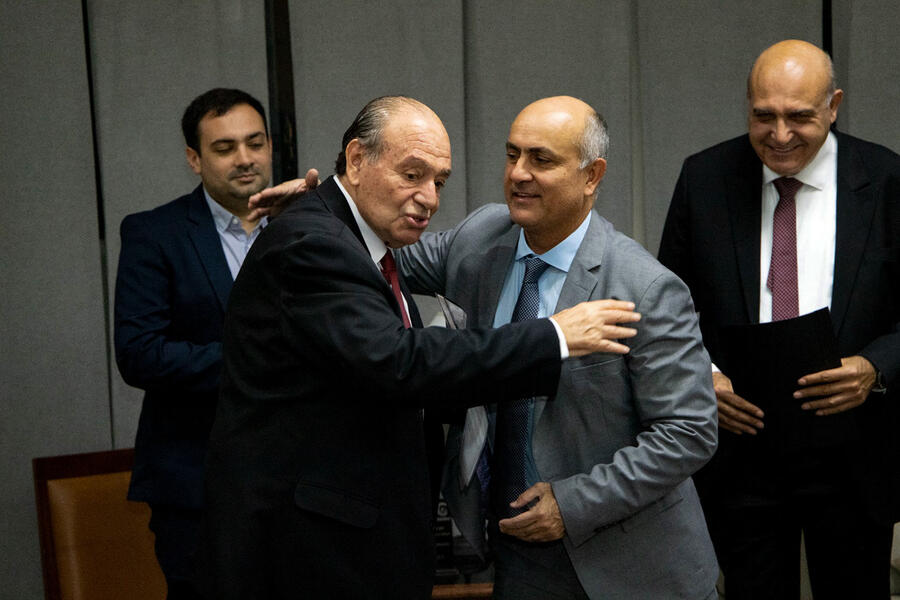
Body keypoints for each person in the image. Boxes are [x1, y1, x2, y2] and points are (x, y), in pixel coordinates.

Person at [257, 95, 720, 599]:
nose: (519, 173)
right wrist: (327, 209)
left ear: (592, 176)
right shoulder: (482, 236)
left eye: (541, 159)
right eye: (512, 154)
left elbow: (689, 432)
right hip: (514, 552)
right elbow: (371, 260)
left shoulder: (645, 287)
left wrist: (573, 505)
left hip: (628, 565)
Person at [658, 39, 900, 599]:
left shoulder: (887, 181)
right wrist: (701, 377)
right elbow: (667, 309)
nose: (781, 134)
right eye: (763, 116)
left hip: (854, 451)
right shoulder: (705, 178)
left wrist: (873, 366)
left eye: (800, 117)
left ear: (834, 106)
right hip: (743, 445)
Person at [114, 88, 276, 598]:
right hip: (197, 482)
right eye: (225, 148)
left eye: (255, 143)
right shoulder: (154, 234)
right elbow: (140, 353)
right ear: (194, 158)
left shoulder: (304, 227)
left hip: (294, 483)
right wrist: (255, 364)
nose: (245, 159)